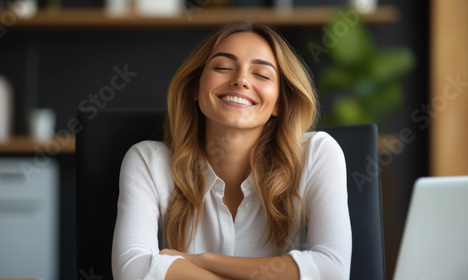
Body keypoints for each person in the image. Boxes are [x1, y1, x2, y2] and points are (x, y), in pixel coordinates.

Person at [112, 21, 351, 280]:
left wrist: (198, 260)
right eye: (223, 67)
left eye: (261, 74)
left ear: (279, 103)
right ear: (195, 86)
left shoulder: (318, 154)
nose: (240, 80)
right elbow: (132, 270)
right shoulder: (148, 161)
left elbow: (331, 270)